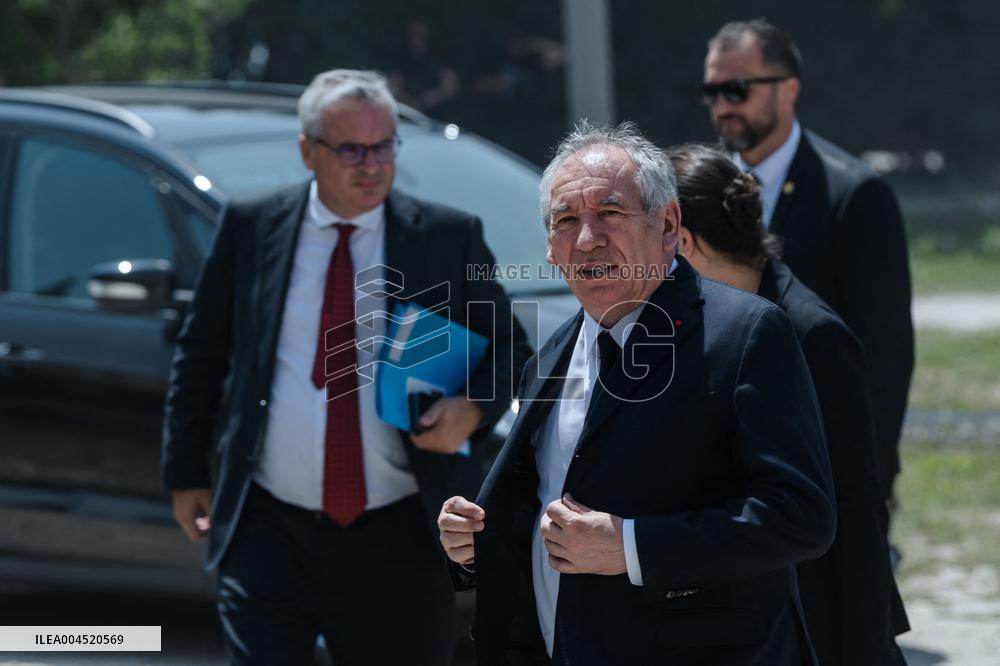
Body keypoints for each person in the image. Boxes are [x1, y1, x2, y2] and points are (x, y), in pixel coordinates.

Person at [162, 69, 530, 666]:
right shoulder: (252, 227)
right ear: (308, 151)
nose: (372, 165)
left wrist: (476, 408)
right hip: (267, 526)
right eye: (352, 150)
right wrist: (184, 472)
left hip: (397, 534)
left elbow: (512, 350)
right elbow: (200, 353)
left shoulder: (445, 238)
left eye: (384, 145)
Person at [438, 121, 836, 665]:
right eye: (566, 221)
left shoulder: (745, 333)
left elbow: (799, 517)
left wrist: (630, 547)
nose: (587, 239)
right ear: (550, 248)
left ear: (668, 225)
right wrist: (473, 543)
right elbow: (544, 500)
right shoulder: (554, 350)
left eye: (610, 213)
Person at [668, 143, 910, 665]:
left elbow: (857, 504)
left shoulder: (812, 333)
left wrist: (863, 647)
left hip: (814, 621)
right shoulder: (701, 318)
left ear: (682, 241)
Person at [702, 19, 914, 510]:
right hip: (729, 464)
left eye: (736, 89)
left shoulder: (854, 195)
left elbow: (883, 356)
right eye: (711, 92)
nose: (722, 106)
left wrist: (868, 475)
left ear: (788, 89)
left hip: (829, 461)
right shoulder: (701, 191)